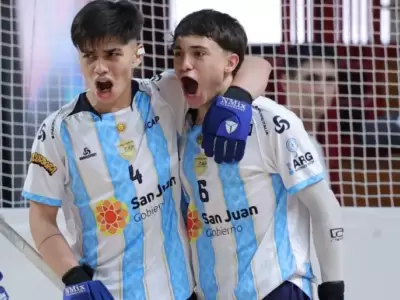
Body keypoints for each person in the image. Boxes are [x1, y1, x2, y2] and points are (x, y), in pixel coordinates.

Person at [22, 1, 271, 300]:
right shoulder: (57, 130)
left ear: (137, 53)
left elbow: (256, 64)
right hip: (109, 294)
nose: (100, 67)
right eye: (89, 56)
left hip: (181, 292)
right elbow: (42, 220)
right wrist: (74, 277)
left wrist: (238, 98)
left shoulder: (165, 94)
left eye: (112, 54)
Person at [175, 10, 345, 300]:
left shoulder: (271, 121)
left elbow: (325, 208)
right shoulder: (175, 124)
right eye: (178, 54)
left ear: (231, 63)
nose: (184, 65)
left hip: (276, 288)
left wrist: (333, 290)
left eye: (199, 53)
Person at [279, 45, 337, 181]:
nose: (321, 90)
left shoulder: (312, 144)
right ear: (285, 82)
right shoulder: (279, 139)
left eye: (329, 80)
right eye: (312, 78)